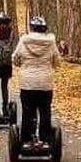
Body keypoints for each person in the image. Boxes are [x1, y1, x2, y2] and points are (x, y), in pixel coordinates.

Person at [12, 16, 59, 148]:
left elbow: (15, 59)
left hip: (27, 84)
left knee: (28, 112)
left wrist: (24, 64)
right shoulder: (51, 42)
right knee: (45, 112)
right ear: (44, 29)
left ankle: (27, 140)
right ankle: (45, 140)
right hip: (45, 84)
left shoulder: (24, 41)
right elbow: (57, 61)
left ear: (31, 27)